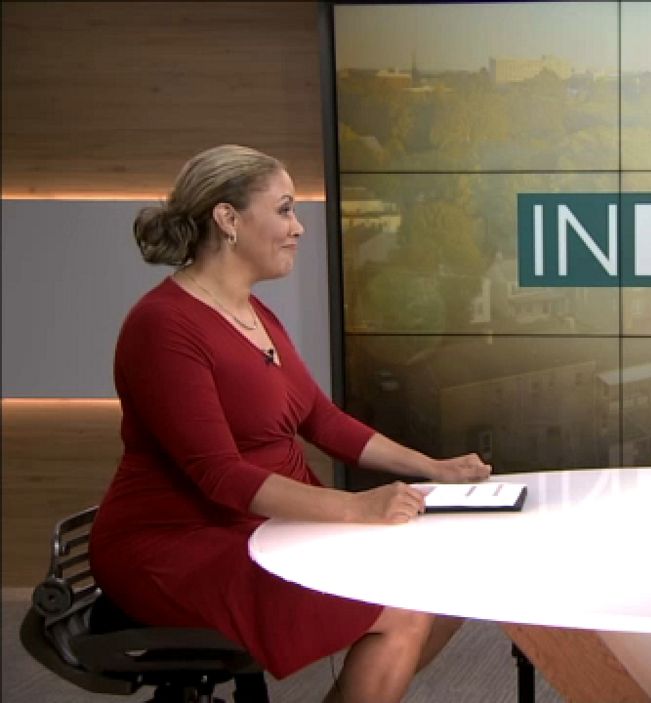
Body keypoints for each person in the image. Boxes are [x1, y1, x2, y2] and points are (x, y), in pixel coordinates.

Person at [90, 144, 492, 703]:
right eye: (284, 209)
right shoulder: (162, 326)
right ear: (228, 219)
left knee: (451, 581)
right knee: (402, 609)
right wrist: (355, 508)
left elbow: (321, 420)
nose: (298, 227)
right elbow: (220, 477)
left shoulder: (255, 314)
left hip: (260, 524)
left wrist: (434, 468)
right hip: (179, 544)